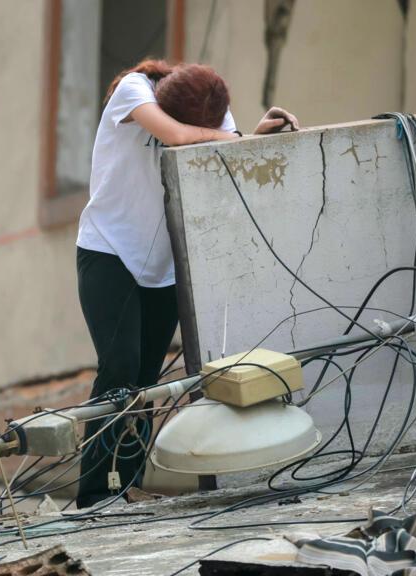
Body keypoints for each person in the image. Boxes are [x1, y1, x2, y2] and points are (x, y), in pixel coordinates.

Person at [75, 59, 299, 508]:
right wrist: (228, 138)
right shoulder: (135, 90)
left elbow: (221, 153)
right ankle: (94, 491)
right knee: (119, 366)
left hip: (164, 266)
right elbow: (181, 138)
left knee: (146, 380)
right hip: (108, 250)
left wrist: (252, 137)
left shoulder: (212, 112)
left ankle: (128, 484)